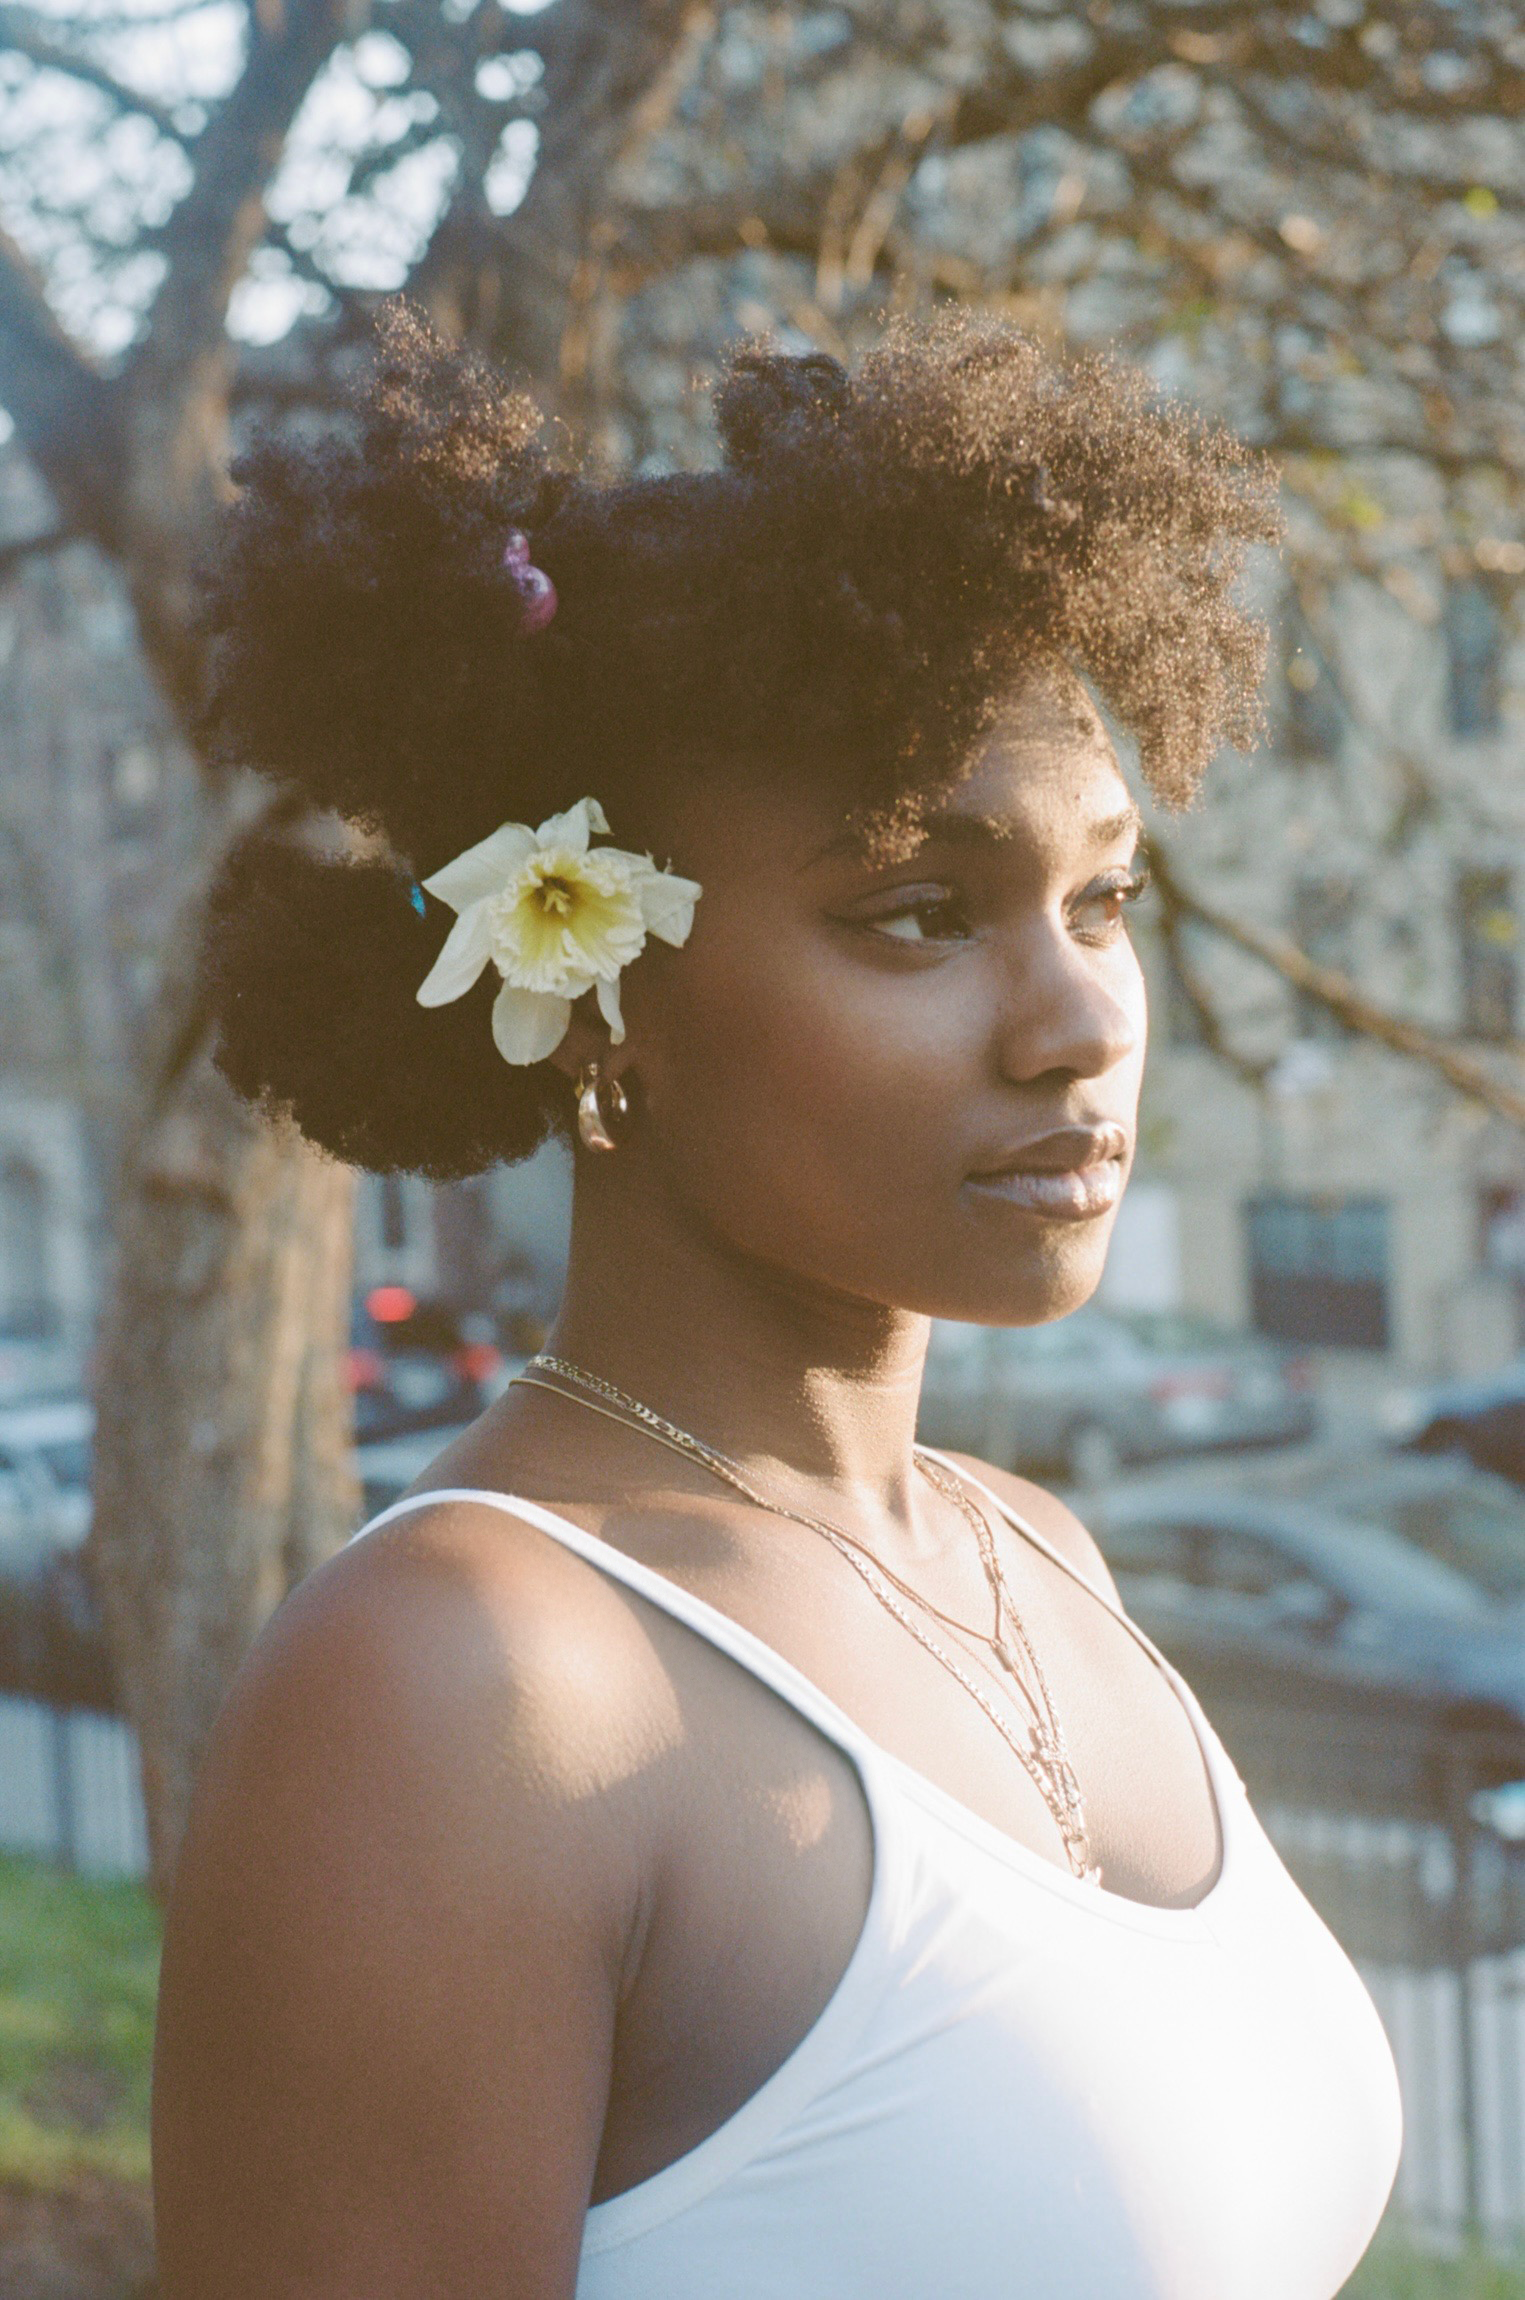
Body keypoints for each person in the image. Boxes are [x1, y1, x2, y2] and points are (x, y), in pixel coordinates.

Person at [152, 306, 1401, 2298]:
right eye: (915, 908)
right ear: (598, 985)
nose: (1082, 1020)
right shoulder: (469, 1688)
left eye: (1106, 900)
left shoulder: (1036, 1556)